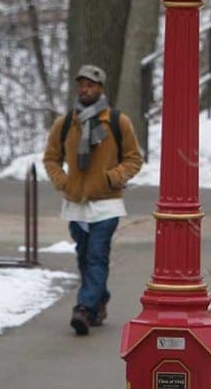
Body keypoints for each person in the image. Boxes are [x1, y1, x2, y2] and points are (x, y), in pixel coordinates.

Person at [43, 64, 143, 336]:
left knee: (97, 255)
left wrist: (113, 178)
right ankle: (99, 300)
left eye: (91, 84)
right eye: (82, 85)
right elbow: (51, 158)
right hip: (75, 203)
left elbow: (134, 159)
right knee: (84, 256)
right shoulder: (65, 124)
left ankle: (84, 309)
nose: (85, 89)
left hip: (106, 203)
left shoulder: (117, 122)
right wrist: (63, 181)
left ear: (101, 88)